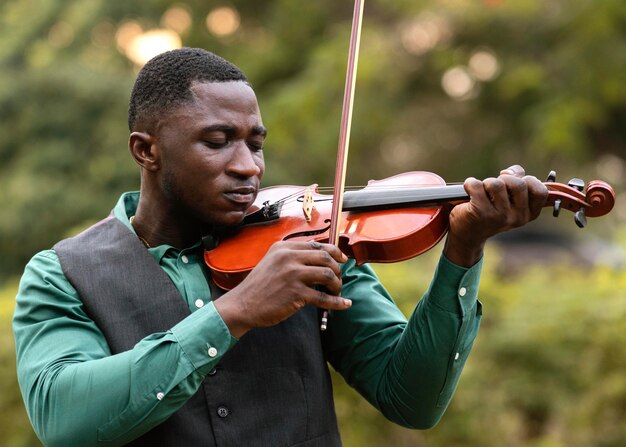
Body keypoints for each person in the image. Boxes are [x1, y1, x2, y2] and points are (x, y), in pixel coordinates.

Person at [13, 47, 548, 447]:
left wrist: (463, 250)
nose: (248, 165)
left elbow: (413, 401)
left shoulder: (310, 240)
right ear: (146, 150)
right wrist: (235, 312)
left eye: (255, 142)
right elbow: (65, 419)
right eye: (217, 142)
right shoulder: (62, 274)